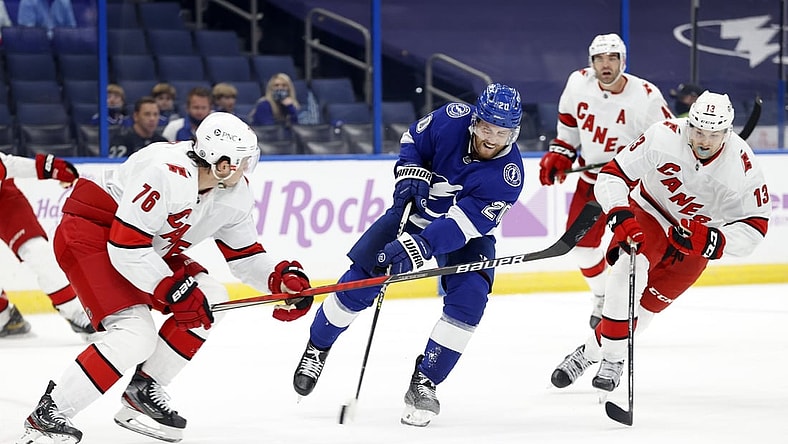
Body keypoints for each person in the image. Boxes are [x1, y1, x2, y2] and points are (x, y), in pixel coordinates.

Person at [16, 112, 314, 443]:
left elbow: (244, 254)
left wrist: (279, 279)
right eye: (244, 160)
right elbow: (125, 247)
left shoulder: (233, 191)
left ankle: (144, 388)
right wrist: (172, 288)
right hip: (91, 233)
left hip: (143, 246)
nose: (247, 168)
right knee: (134, 333)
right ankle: (49, 412)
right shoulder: (166, 171)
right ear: (222, 163)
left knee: (211, 297)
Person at [292, 83, 524, 427]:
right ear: (475, 121)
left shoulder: (509, 176)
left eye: (502, 133)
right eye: (487, 128)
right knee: (359, 284)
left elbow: (463, 224)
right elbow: (412, 141)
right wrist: (409, 172)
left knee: (471, 298)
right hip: (413, 213)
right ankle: (318, 346)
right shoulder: (450, 119)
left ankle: (425, 381)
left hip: (464, 236)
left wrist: (418, 247)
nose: (492, 139)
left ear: (514, 133)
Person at [549, 91, 770, 393]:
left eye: (714, 134)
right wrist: (619, 212)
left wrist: (712, 240)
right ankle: (613, 359)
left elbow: (755, 228)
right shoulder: (663, 135)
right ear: (688, 124)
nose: (704, 141)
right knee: (628, 271)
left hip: (697, 238)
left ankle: (587, 354)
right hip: (650, 211)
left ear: (727, 133)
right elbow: (611, 175)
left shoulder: (743, 167)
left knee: (645, 311)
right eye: (699, 131)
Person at [538, 33, 674, 329]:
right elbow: (569, 126)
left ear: (623, 61)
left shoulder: (646, 96)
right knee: (581, 247)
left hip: (632, 189)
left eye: (612, 58)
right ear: (591, 63)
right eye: (600, 59)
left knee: (626, 256)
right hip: (591, 180)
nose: (606, 65)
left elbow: (669, 140)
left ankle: (623, 308)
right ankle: (601, 297)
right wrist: (561, 154)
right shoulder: (578, 83)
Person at [0, 152, 94, 338]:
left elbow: (8, 164)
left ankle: (74, 312)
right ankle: (5, 317)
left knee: (38, 251)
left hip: (4, 200)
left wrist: (51, 168)